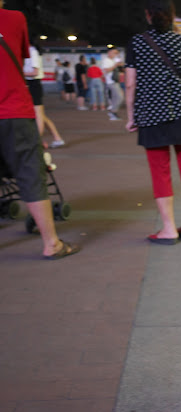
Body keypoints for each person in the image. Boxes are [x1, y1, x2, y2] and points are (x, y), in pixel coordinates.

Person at [0, 1, 81, 259]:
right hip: (13, 110)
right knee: (30, 174)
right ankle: (51, 244)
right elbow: (24, 61)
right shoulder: (14, 19)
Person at [125, 0, 181, 244]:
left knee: (160, 174)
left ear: (148, 15)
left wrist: (130, 117)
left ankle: (168, 229)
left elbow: (130, 83)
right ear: (172, 16)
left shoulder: (137, 42)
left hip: (151, 116)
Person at [23, 44, 65, 149]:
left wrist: (18, 72)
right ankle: (57, 138)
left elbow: (35, 72)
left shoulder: (32, 51)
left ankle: (36, 143)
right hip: (31, 84)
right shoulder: (31, 50)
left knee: (38, 116)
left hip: (33, 85)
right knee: (40, 115)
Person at [102, 47, 124, 120]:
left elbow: (121, 66)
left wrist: (119, 62)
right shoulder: (106, 60)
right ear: (109, 53)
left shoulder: (113, 60)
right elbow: (106, 70)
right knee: (120, 97)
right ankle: (113, 112)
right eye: (115, 53)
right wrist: (115, 65)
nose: (116, 54)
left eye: (117, 53)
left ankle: (113, 111)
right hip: (111, 82)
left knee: (116, 97)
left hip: (115, 81)